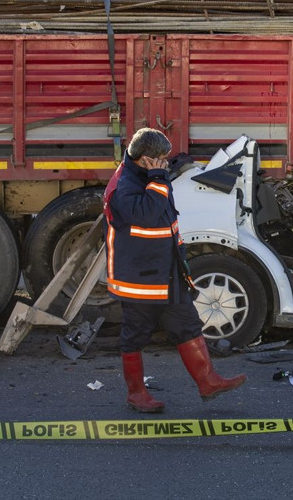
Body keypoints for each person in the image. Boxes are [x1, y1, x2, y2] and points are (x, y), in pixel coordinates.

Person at [103, 128, 246, 413]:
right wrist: (158, 179)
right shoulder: (125, 185)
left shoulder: (148, 175)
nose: (165, 163)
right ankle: (136, 394)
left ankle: (208, 381)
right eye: (161, 158)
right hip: (140, 280)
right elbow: (146, 214)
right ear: (145, 159)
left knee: (187, 324)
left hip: (165, 273)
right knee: (134, 335)